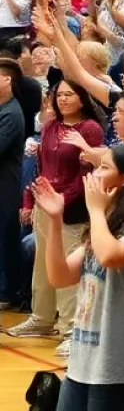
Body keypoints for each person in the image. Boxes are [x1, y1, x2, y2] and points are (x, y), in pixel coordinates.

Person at [34, 145, 124, 411]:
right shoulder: (105, 225)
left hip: (116, 366)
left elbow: (109, 256)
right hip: (81, 362)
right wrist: (56, 220)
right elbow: (60, 276)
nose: (94, 174)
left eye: (104, 167)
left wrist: (95, 211)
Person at [12, 80, 105, 351]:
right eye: (60, 95)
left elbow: (87, 172)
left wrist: (64, 199)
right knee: (43, 264)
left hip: (72, 209)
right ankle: (41, 318)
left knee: (67, 267)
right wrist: (30, 199)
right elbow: (40, 169)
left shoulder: (90, 128)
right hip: (45, 204)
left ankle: (70, 327)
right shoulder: (51, 126)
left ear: (82, 98)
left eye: (69, 95)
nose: (63, 99)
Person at [0, 60, 26, 312]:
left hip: (6, 185)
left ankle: (9, 292)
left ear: (7, 79)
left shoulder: (11, 113)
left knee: (5, 237)